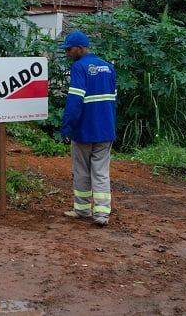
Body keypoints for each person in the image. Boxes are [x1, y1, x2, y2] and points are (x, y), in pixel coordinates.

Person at [59, 31, 117, 226]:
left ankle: (82, 210)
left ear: (80, 48)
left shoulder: (79, 67)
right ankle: (101, 215)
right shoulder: (108, 68)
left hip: (84, 130)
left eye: (69, 49)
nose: (67, 53)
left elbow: (75, 100)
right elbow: (113, 101)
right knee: (101, 172)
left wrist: (67, 127)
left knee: (82, 171)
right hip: (105, 130)